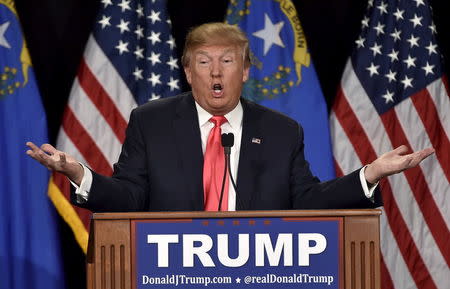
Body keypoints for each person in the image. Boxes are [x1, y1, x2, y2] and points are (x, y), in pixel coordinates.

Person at [26, 23, 434, 212]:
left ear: (245, 71)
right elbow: (131, 196)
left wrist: (371, 174)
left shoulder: (281, 131)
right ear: (188, 73)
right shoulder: (151, 122)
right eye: (204, 62)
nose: (216, 72)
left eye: (227, 61)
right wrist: (78, 172)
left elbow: (307, 200)